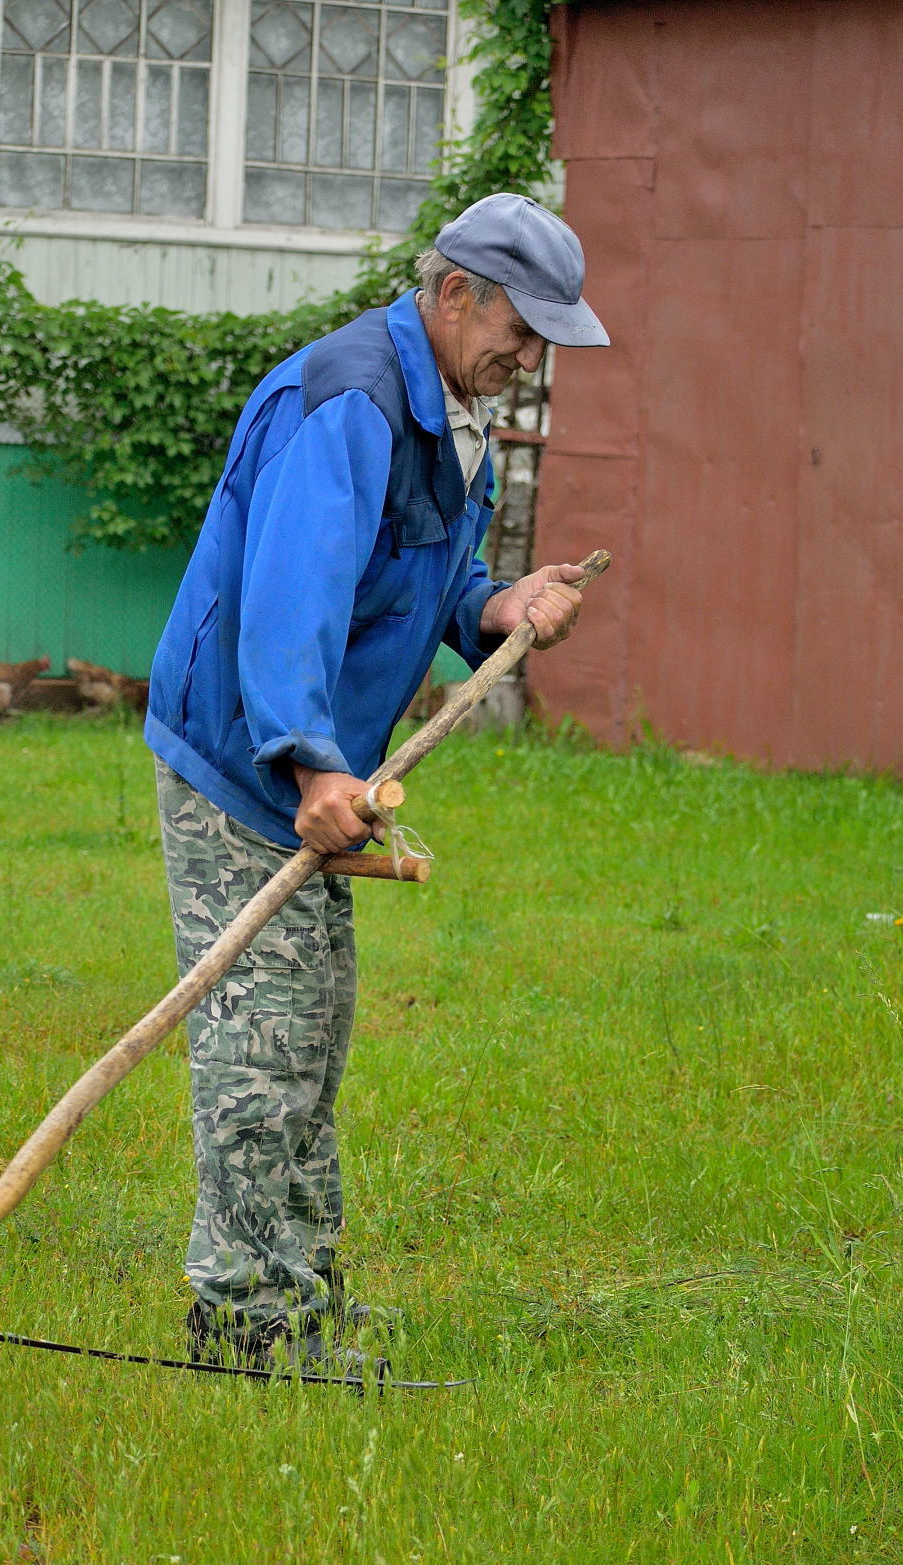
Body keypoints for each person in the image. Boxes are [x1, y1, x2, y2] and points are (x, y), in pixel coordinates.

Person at [145, 192, 610, 1374]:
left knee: (315, 1035)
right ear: (455, 295)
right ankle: (246, 1325)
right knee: (263, 1048)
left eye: (548, 335)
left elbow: (423, 581)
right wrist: (307, 764)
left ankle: (302, 1297)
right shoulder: (351, 400)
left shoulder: (456, 411)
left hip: (318, 768)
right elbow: (291, 600)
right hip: (247, 760)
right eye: (523, 327)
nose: (532, 354)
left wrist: (496, 606)